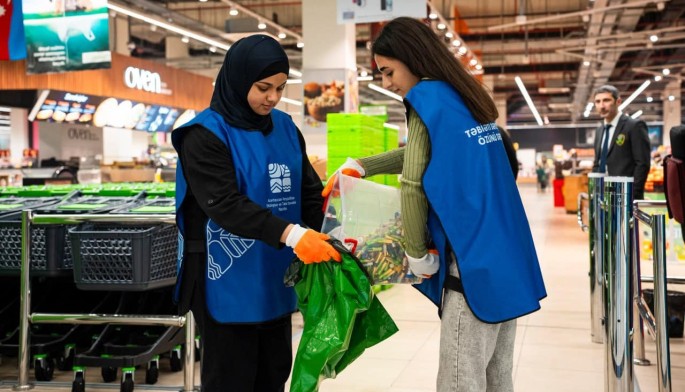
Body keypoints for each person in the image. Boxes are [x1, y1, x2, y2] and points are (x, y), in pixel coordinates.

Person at [323, 17, 546, 392]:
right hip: (506, 256)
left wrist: (414, 252)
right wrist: (364, 165)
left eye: (389, 71)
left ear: (411, 58)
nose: (387, 83)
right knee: (497, 375)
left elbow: (412, 185)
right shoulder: (464, 96)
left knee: (461, 379)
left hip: (469, 265)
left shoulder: (425, 99)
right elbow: (424, 154)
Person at [171, 34, 340, 392]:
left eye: (280, 87)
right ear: (238, 79)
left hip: (274, 271)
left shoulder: (285, 128)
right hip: (224, 274)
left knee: (273, 370)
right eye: (264, 87)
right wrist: (293, 235)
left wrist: (341, 224)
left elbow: (308, 193)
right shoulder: (202, 134)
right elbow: (225, 205)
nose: (274, 97)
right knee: (232, 376)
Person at [591, 84, 651, 200]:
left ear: (618, 101)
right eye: (597, 102)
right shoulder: (599, 130)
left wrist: (633, 194)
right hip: (603, 194)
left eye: (606, 100)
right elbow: (597, 163)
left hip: (626, 195)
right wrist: (595, 189)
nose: (601, 106)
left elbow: (642, 163)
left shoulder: (634, 126)